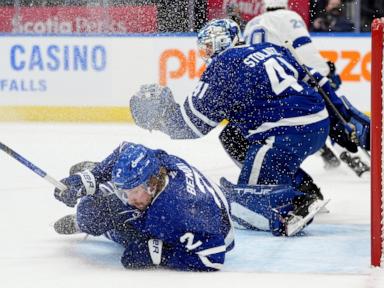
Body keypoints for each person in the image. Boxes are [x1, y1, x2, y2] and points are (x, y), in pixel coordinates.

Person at [129, 19, 370, 233]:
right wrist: (343, 120)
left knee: (242, 207)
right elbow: (317, 80)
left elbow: (192, 126)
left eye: (209, 47)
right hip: (317, 124)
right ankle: (303, 188)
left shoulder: (223, 65)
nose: (206, 54)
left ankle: (295, 204)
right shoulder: (270, 47)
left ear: (222, 43)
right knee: (232, 135)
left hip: (285, 136)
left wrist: (161, 117)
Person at [53, 141, 235, 271]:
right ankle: (103, 182)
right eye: (123, 190)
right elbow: (127, 149)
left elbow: (213, 257)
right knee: (99, 212)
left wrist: (159, 254)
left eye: (131, 190)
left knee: (96, 216)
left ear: (151, 183)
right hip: (196, 205)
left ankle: (85, 221)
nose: (127, 198)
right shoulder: (156, 163)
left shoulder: (180, 214)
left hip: (207, 226)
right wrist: (91, 178)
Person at [238, 0, 369, 176]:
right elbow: (305, 50)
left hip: (264, 90)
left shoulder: (251, 24)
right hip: (289, 80)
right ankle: (353, 158)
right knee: (326, 114)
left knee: (291, 124)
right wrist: (324, 72)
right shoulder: (289, 16)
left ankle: (321, 152)